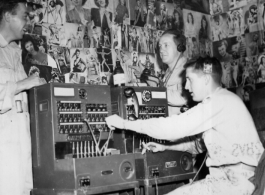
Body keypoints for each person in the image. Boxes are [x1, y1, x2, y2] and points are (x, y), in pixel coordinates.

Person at [106, 56, 264, 195]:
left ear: (206, 79)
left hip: (238, 182)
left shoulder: (218, 101)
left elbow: (171, 128)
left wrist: (124, 123)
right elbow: (197, 146)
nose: (187, 87)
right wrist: (166, 147)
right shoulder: (221, 101)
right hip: (229, 180)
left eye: (190, 79)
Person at [0, 1, 47, 195]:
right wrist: (24, 84)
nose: (28, 22)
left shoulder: (15, 53)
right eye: (24, 16)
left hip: (22, 152)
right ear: (8, 16)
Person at [157, 29, 188, 115]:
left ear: (179, 47)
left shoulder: (188, 69)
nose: (161, 50)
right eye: (160, 46)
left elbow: (183, 97)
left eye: (166, 45)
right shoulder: (168, 71)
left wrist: (156, 92)